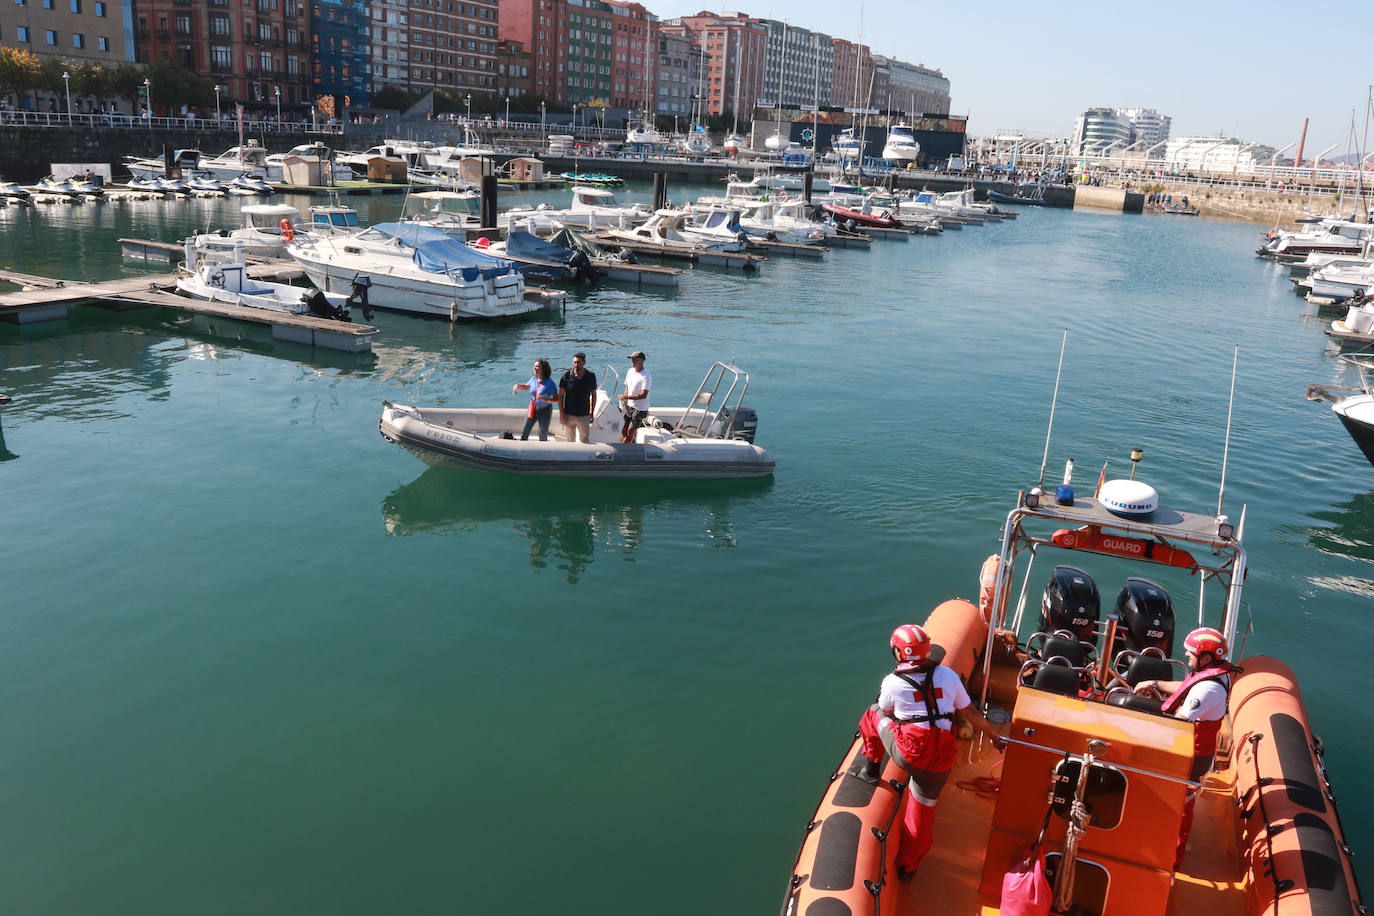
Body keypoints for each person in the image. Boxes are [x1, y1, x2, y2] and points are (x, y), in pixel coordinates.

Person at [856, 625, 1005, 881]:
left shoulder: (892, 682)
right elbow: (970, 714)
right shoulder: (947, 675)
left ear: (899, 653)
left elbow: (885, 710)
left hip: (910, 752)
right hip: (941, 757)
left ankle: (871, 768)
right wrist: (993, 735)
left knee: (872, 714)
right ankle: (909, 866)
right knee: (922, 812)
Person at [1133, 626, 1237, 868]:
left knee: (1181, 807)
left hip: (1192, 756)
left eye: (1191, 654)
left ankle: (1171, 858)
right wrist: (1155, 683)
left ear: (1206, 658)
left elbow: (1179, 721)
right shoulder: (1213, 677)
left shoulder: (1208, 689)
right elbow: (1186, 688)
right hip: (1196, 751)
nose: (1188, 657)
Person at [558, 351, 597, 443]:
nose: (576, 364)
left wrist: (592, 412)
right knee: (570, 441)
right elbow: (560, 397)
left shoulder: (590, 376)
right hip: (568, 415)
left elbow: (594, 395)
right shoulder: (566, 376)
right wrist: (562, 414)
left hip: (584, 415)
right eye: (574, 362)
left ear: (584, 363)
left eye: (578, 362)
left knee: (584, 440)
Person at [513, 359, 557, 441]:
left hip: (545, 411)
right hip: (533, 408)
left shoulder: (550, 383)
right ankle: (522, 450)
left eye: (537, 366)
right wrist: (517, 386)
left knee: (542, 435)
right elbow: (527, 386)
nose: (535, 368)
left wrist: (546, 400)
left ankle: (542, 452)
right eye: (534, 366)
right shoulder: (533, 379)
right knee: (524, 432)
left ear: (543, 368)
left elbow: (557, 399)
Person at [618, 350, 651, 443]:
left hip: (640, 409)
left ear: (642, 360)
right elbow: (627, 386)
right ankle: (630, 442)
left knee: (629, 432)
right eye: (632, 359)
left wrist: (627, 397)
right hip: (629, 405)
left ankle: (627, 449)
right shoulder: (630, 371)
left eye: (635, 359)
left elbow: (643, 395)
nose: (632, 361)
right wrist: (624, 400)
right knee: (623, 429)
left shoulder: (646, 376)